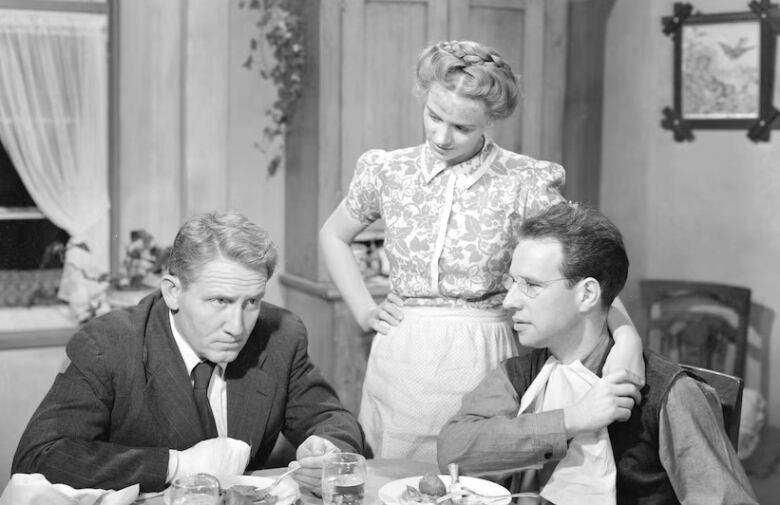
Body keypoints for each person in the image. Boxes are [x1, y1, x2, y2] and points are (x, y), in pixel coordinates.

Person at [319, 39, 645, 463]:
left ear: (491, 120)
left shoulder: (522, 180)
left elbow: (585, 264)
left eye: (462, 127)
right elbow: (333, 234)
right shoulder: (388, 170)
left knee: (474, 473)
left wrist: (627, 336)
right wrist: (364, 309)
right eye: (434, 116)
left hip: (482, 353)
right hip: (400, 356)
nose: (441, 136)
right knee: (394, 480)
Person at [12, 211, 368, 493]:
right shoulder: (108, 345)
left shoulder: (281, 334)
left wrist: (325, 449)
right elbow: (38, 457)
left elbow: (334, 420)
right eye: (219, 301)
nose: (237, 326)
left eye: (251, 302)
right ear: (172, 292)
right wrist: (176, 465)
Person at [437, 202, 758, 505]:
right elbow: (453, 449)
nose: (509, 301)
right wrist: (570, 420)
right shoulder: (519, 374)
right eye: (513, 282)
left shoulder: (669, 394)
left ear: (587, 293)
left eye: (531, 285)